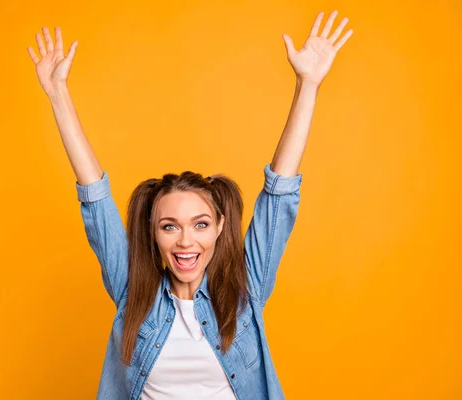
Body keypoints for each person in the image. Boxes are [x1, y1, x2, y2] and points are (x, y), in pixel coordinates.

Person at [27, 10, 352, 400]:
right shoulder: (133, 291)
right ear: (153, 232)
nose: (185, 241)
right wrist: (58, 93)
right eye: (169, 226)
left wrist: (308, 85)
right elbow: (94, 194)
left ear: (219, 226)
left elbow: (279, 192)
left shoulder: (245, 288)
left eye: (199, 224)